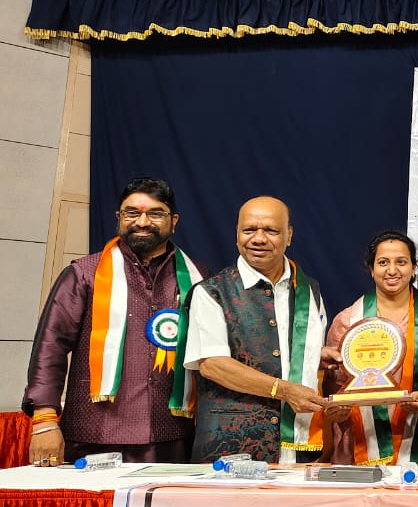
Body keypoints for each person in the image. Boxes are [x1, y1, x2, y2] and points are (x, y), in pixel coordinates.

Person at [23, 177, 206, 467]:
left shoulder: (198, 278)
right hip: (94, 432)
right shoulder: (84, 273)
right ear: (119, 217)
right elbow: (50, 347)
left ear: (174, 221)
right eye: (132, 213)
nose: (142, 222)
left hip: (172, 435)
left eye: (155, 213)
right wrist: (44, 421)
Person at [182, 196, 330, 462]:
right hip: (231, 448)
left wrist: (321, 357)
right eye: (249, 230)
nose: (258, 239)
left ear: (289, 235)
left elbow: (298, 356)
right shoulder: (211, 291)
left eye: (271, 230)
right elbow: (213, 365)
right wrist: (284, 390)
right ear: (237, 234)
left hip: (300, 447)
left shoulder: (310, 290)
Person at [323, 230, 418, 466]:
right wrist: (337, 407)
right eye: (382, 262)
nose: (392, 270)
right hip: (360, 441)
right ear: (371, 269)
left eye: (401, 262)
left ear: (414, 268)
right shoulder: (347, 321)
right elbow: (333, 385)